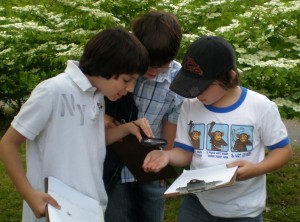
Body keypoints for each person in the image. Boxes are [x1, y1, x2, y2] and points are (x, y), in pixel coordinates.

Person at [0, 27, 154, 222]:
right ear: (107, 65)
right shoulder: (53, 91)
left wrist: (127, 128)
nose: (130, 89)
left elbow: (91, 140)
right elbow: (8, 144)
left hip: (90, 209)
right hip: (53, 210)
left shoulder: (97, 96)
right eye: (127, 80)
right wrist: (29, 193)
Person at [143, 36, 293, 221]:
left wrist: (256, 169)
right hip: (197, 203)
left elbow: (283, 151)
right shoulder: (190, 106)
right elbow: (185, 152)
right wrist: (166, 155)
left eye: (202, 87)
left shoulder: (260, 106)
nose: (195, 93)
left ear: (229, 77)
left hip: (243, 210)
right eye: (191, 85)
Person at [103, 11, 184, 222]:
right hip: (114, 163)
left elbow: (170, 127)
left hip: (150, 164)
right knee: (116, 214)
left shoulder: (176, 83)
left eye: (161, 66)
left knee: (151, 215)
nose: (153, 72)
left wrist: (164, 161)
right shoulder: (121, 67)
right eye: (149, 64)